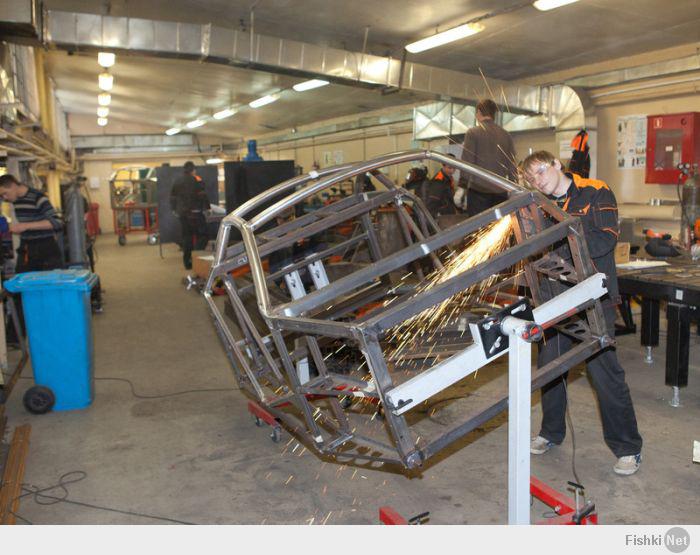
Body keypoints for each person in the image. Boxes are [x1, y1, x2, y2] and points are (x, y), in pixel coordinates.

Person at [522, 151, 643, 476]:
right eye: (531, 179)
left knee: (604, 372)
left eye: (541, 172)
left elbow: (604, 241)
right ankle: (550, 432)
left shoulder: (595, 191)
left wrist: (557, 241)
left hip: (593, 298)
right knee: (550, 367)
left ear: (557, 164)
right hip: (556, 298)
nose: (538, 181)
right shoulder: (539, 205)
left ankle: (628, 448)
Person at [459, 99, 517, 216]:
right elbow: (512, 166)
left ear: (479, 112)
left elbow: (467, 162)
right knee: (498, 225)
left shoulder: (473, 133)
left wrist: (462, 187)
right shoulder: (506, 135)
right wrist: (514, 189)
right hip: (500, 192)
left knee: (479, 226)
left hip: (478, 192)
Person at [0, 174, 63, 272]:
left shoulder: (38, 197)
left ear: (13, 186)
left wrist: (25, 226)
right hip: (26, 247)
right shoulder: (15, 200)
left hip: (45, 247)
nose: (5, 198)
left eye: (5, 193)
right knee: (21, 278)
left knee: (49, 280)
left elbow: (57, 222)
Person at [170, 161, 209, 269]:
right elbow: (202, 195)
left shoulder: (177, 181)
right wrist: (207, 208)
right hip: (195, 213)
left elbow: (172, 197)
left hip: (183, 214)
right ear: (193, 170)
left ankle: (187, 263)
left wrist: (174, 209)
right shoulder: (197, 179)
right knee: (203, 235)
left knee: (187, 237)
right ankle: (196, 256)